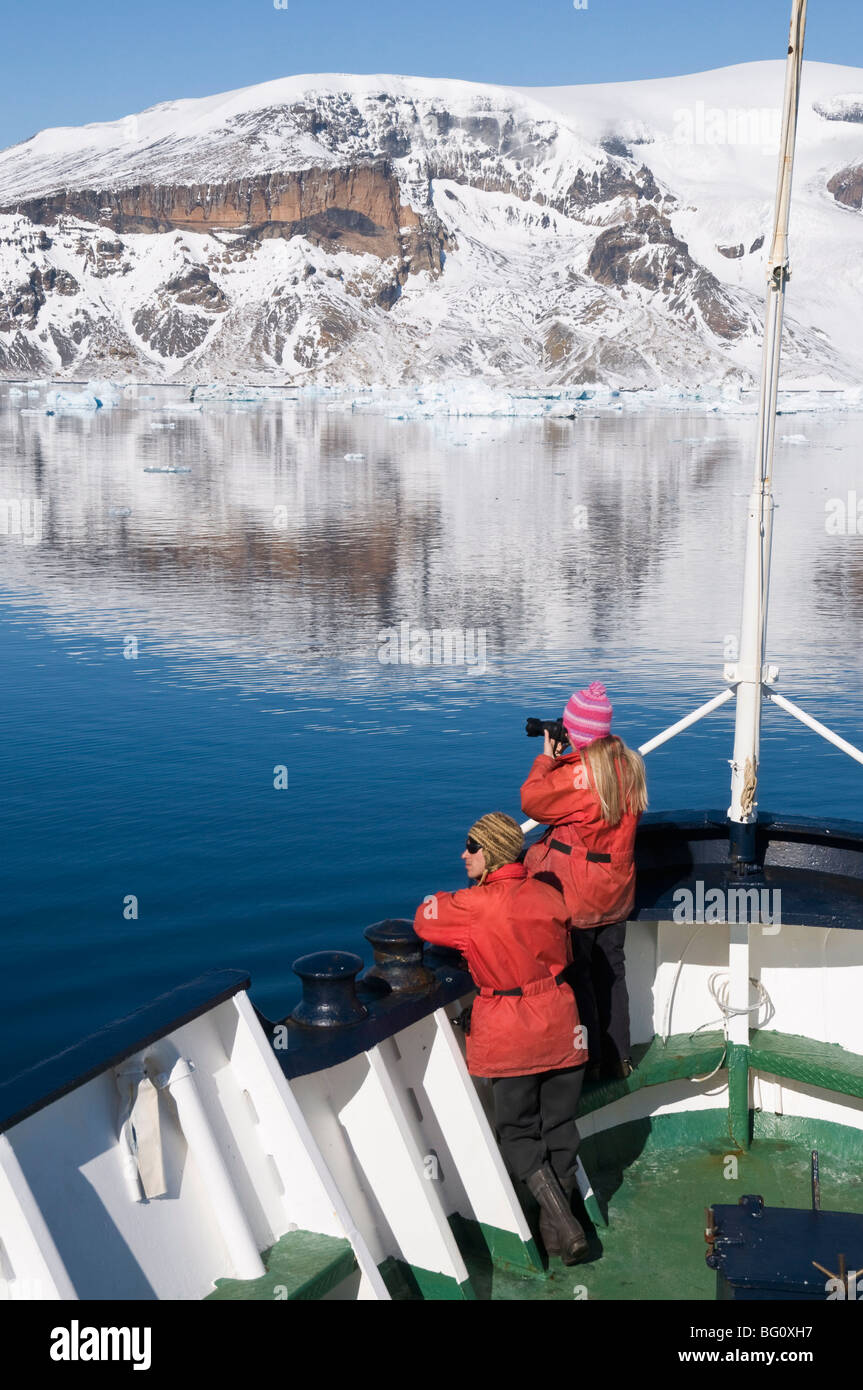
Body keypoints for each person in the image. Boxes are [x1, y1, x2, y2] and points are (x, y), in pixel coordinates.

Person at [413, 811, 589, 1265]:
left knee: (516, 1132)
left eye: (472, 847)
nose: (463, 853)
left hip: (511, 1033)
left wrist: (457, 897)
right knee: (561, 1128)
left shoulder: (474, 905)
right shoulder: (549, 893)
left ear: (490, 853)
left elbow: (423, 919)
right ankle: (561, 1235)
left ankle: (564, 1226)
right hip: (561, 1023)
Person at [521, 681, 647, 1082]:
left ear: (578, 734)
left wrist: (547, 759)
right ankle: (619, 1058)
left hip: (580, 897)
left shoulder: (579, 775)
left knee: (581, 977)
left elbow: (534, 802)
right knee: (613, 970)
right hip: (617, 891)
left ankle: (590, 1062)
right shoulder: (628, 765)